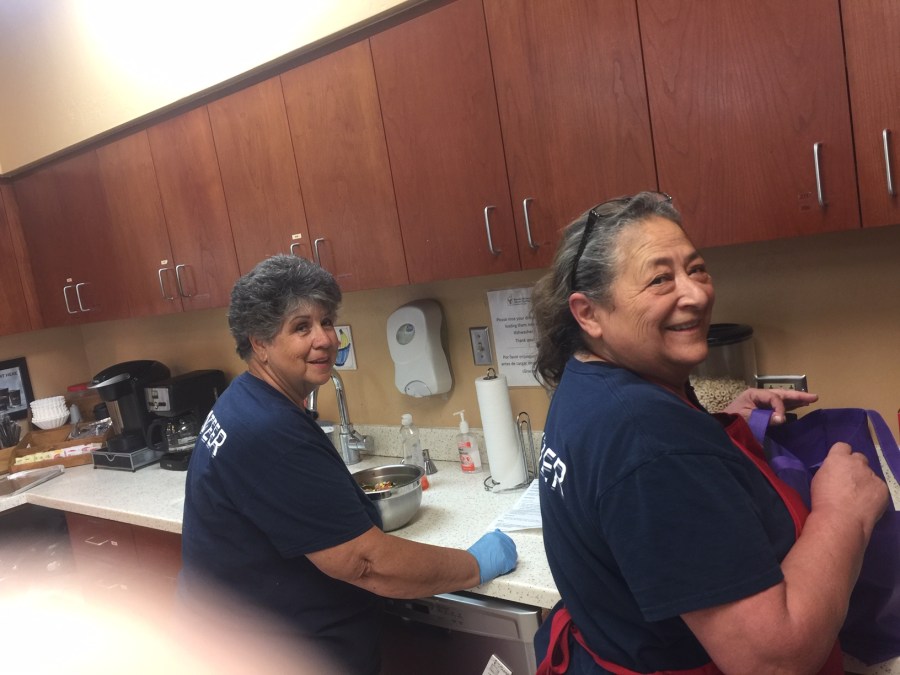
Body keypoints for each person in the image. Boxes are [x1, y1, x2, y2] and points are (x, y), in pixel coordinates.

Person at [530, 192, 888, 674]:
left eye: (696, 269)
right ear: (588, 313)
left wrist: (715, 428)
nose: (697, 295)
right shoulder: (652, 441)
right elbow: (773, 661)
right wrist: (844, 513)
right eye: (660, 279)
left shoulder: (587, 385)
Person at [179, 254, 517, 675]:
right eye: (301, 327)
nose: (325, 339)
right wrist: (475, 564)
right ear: (260, 343)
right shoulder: (268, 429)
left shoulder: (243, 401)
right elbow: (366, 563)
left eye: (326, 321)